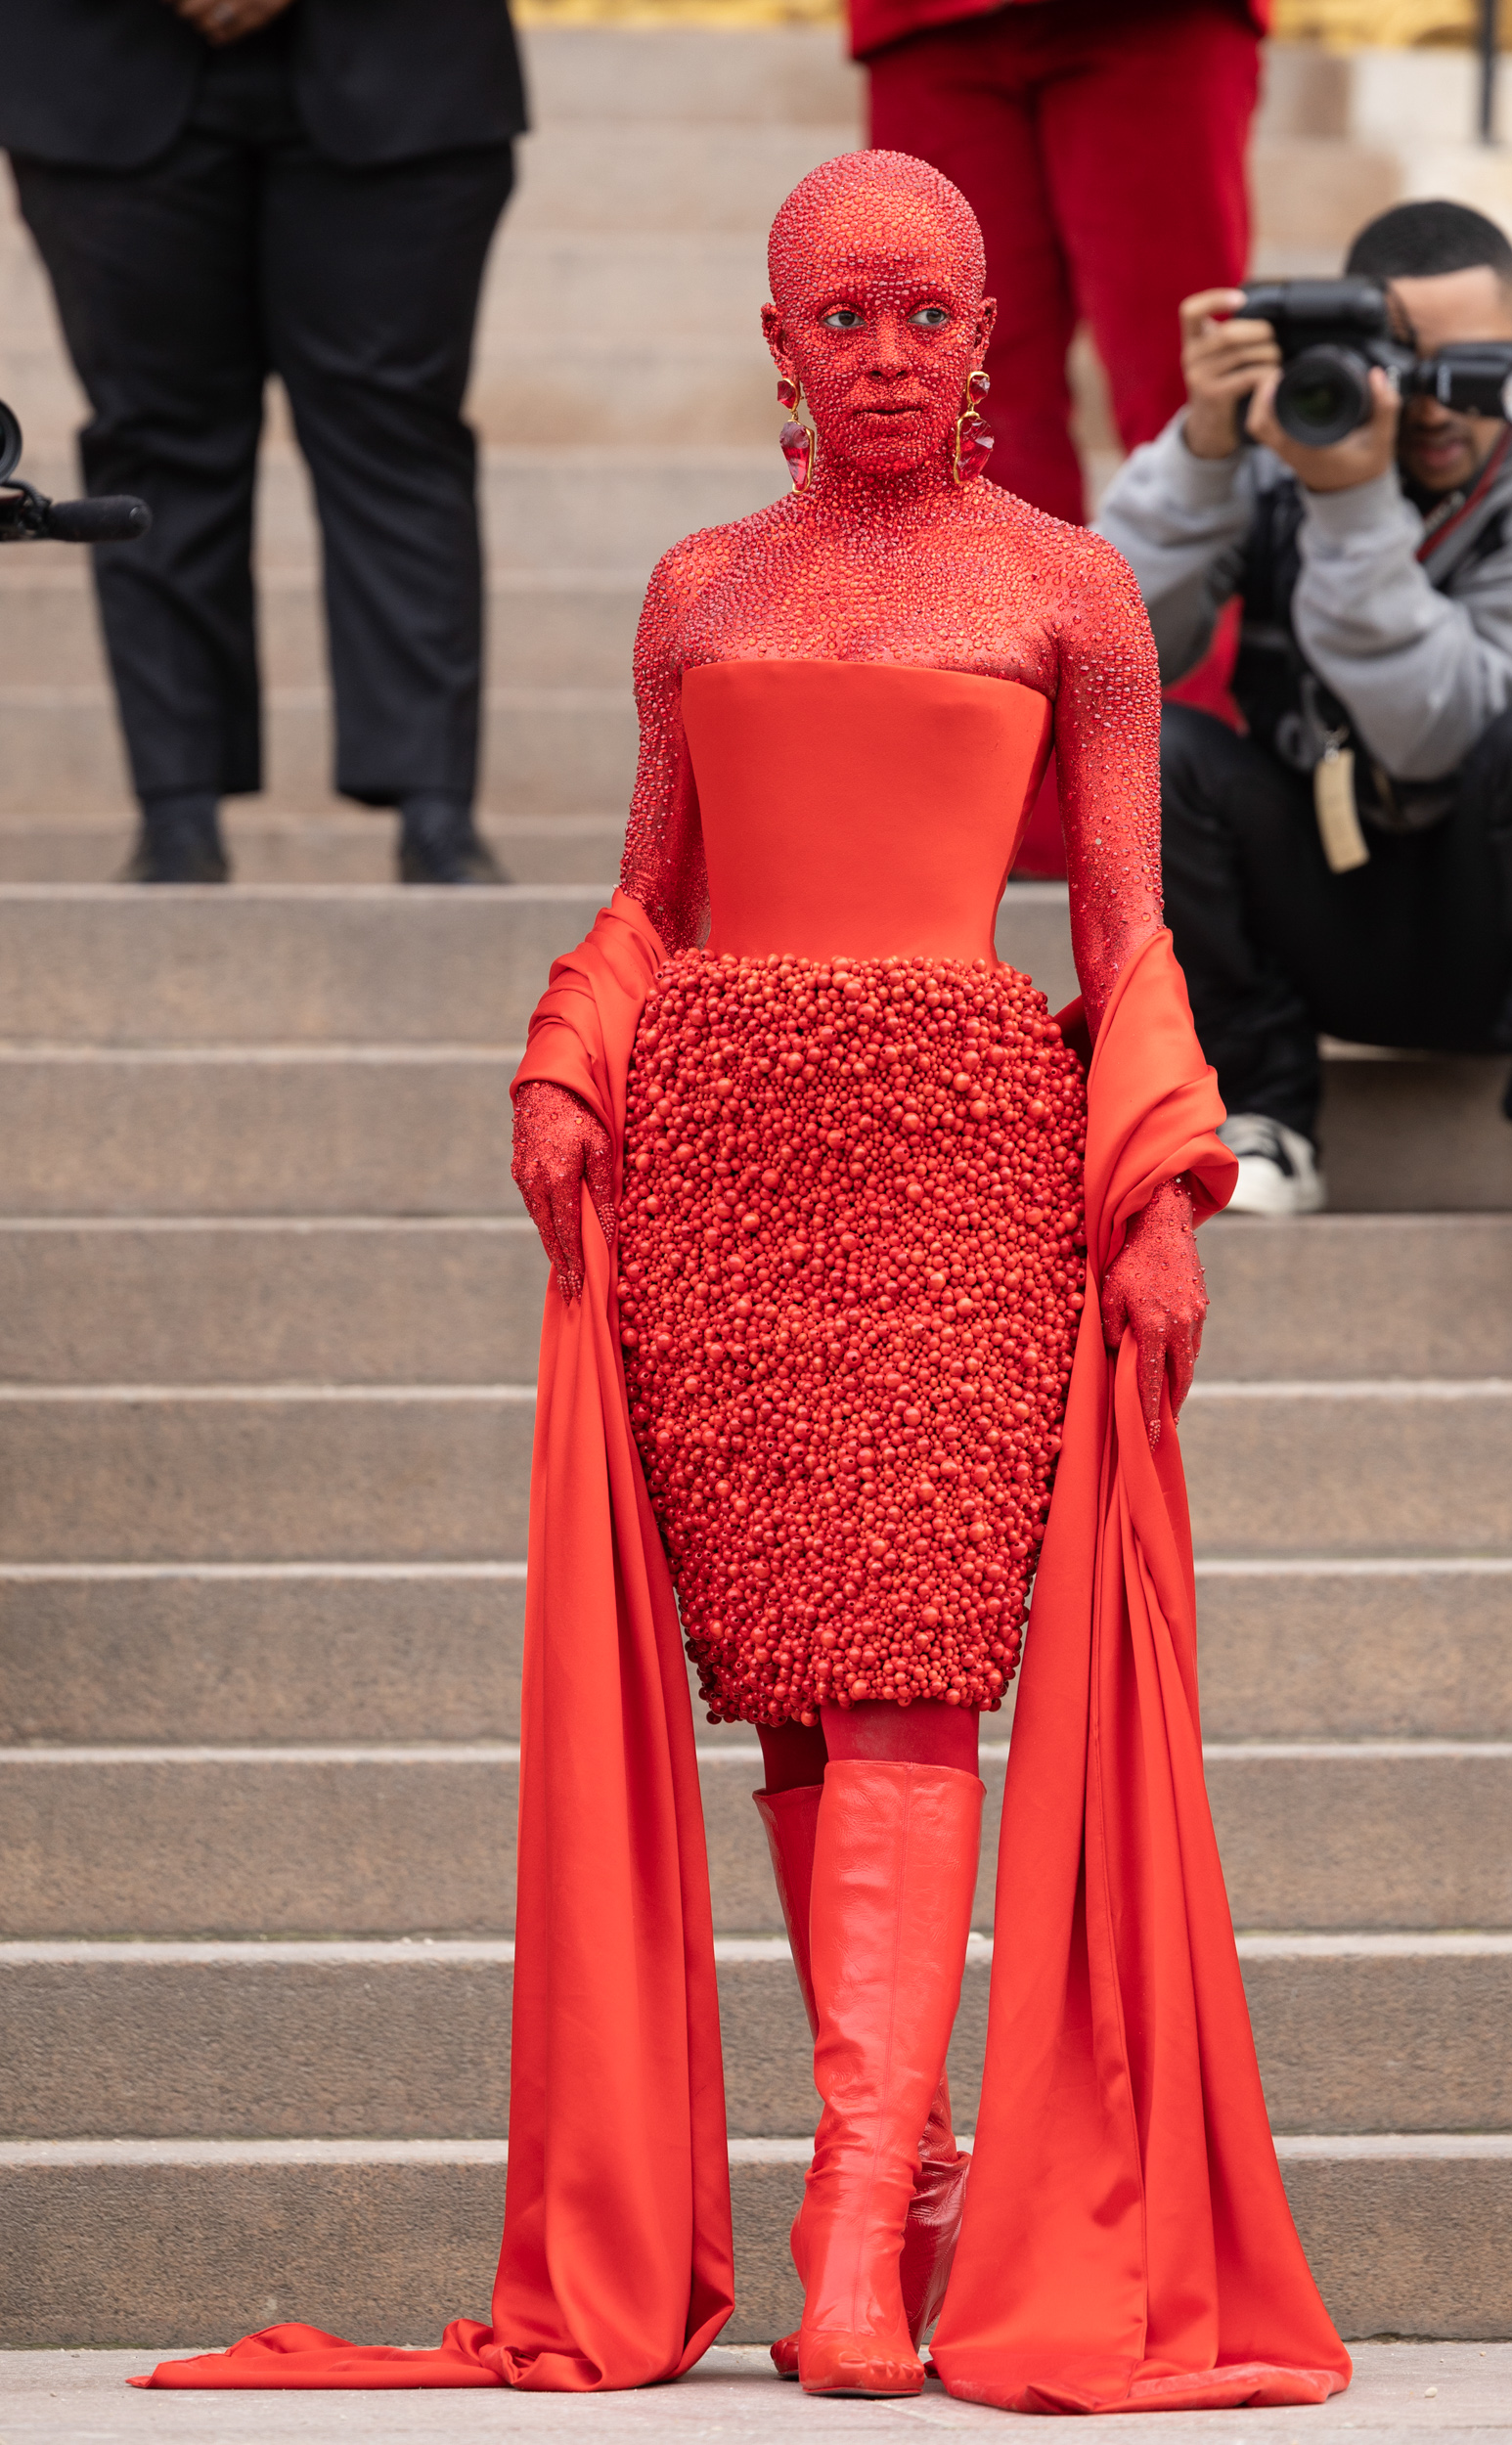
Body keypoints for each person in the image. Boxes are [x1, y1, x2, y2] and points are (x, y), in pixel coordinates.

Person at [133, 154, 1350, 2414]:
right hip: (717, 1173)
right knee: (791, 1689)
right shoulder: (698, 588)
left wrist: (1162, 1183)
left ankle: (843, 2222)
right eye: (841, 317)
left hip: (961, 1156)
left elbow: (1121, 925)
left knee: (905, 1672)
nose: (884, 355)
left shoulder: (1071, 591)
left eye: (924, 314)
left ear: (992, 335)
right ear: (772, 344)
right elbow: (652, 888)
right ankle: (898, 2175)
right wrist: (572, 1061)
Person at [1096, 200, 1512, 1231]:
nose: (1425, 410)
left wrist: (1345, 510)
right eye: (1397, 366)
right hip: (1319, 900)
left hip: (1503, 918)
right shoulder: (1282, 410)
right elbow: (1110, 654)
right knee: (1148, 751)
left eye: (1464, 374)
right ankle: (1254, 1109)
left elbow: (1443, 736)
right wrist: (1202, 456)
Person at [0, 0, 526, 883]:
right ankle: (178, 816)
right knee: (152, 436)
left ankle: (435, 812)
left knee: (396, 431)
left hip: (407, 65)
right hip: (92, 59)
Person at [853, 0, 1266, 872]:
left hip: (1154, 24)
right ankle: (996, 778)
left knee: (1188, 392)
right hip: (928, 22)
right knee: (954, 410)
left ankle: (1179, 788)